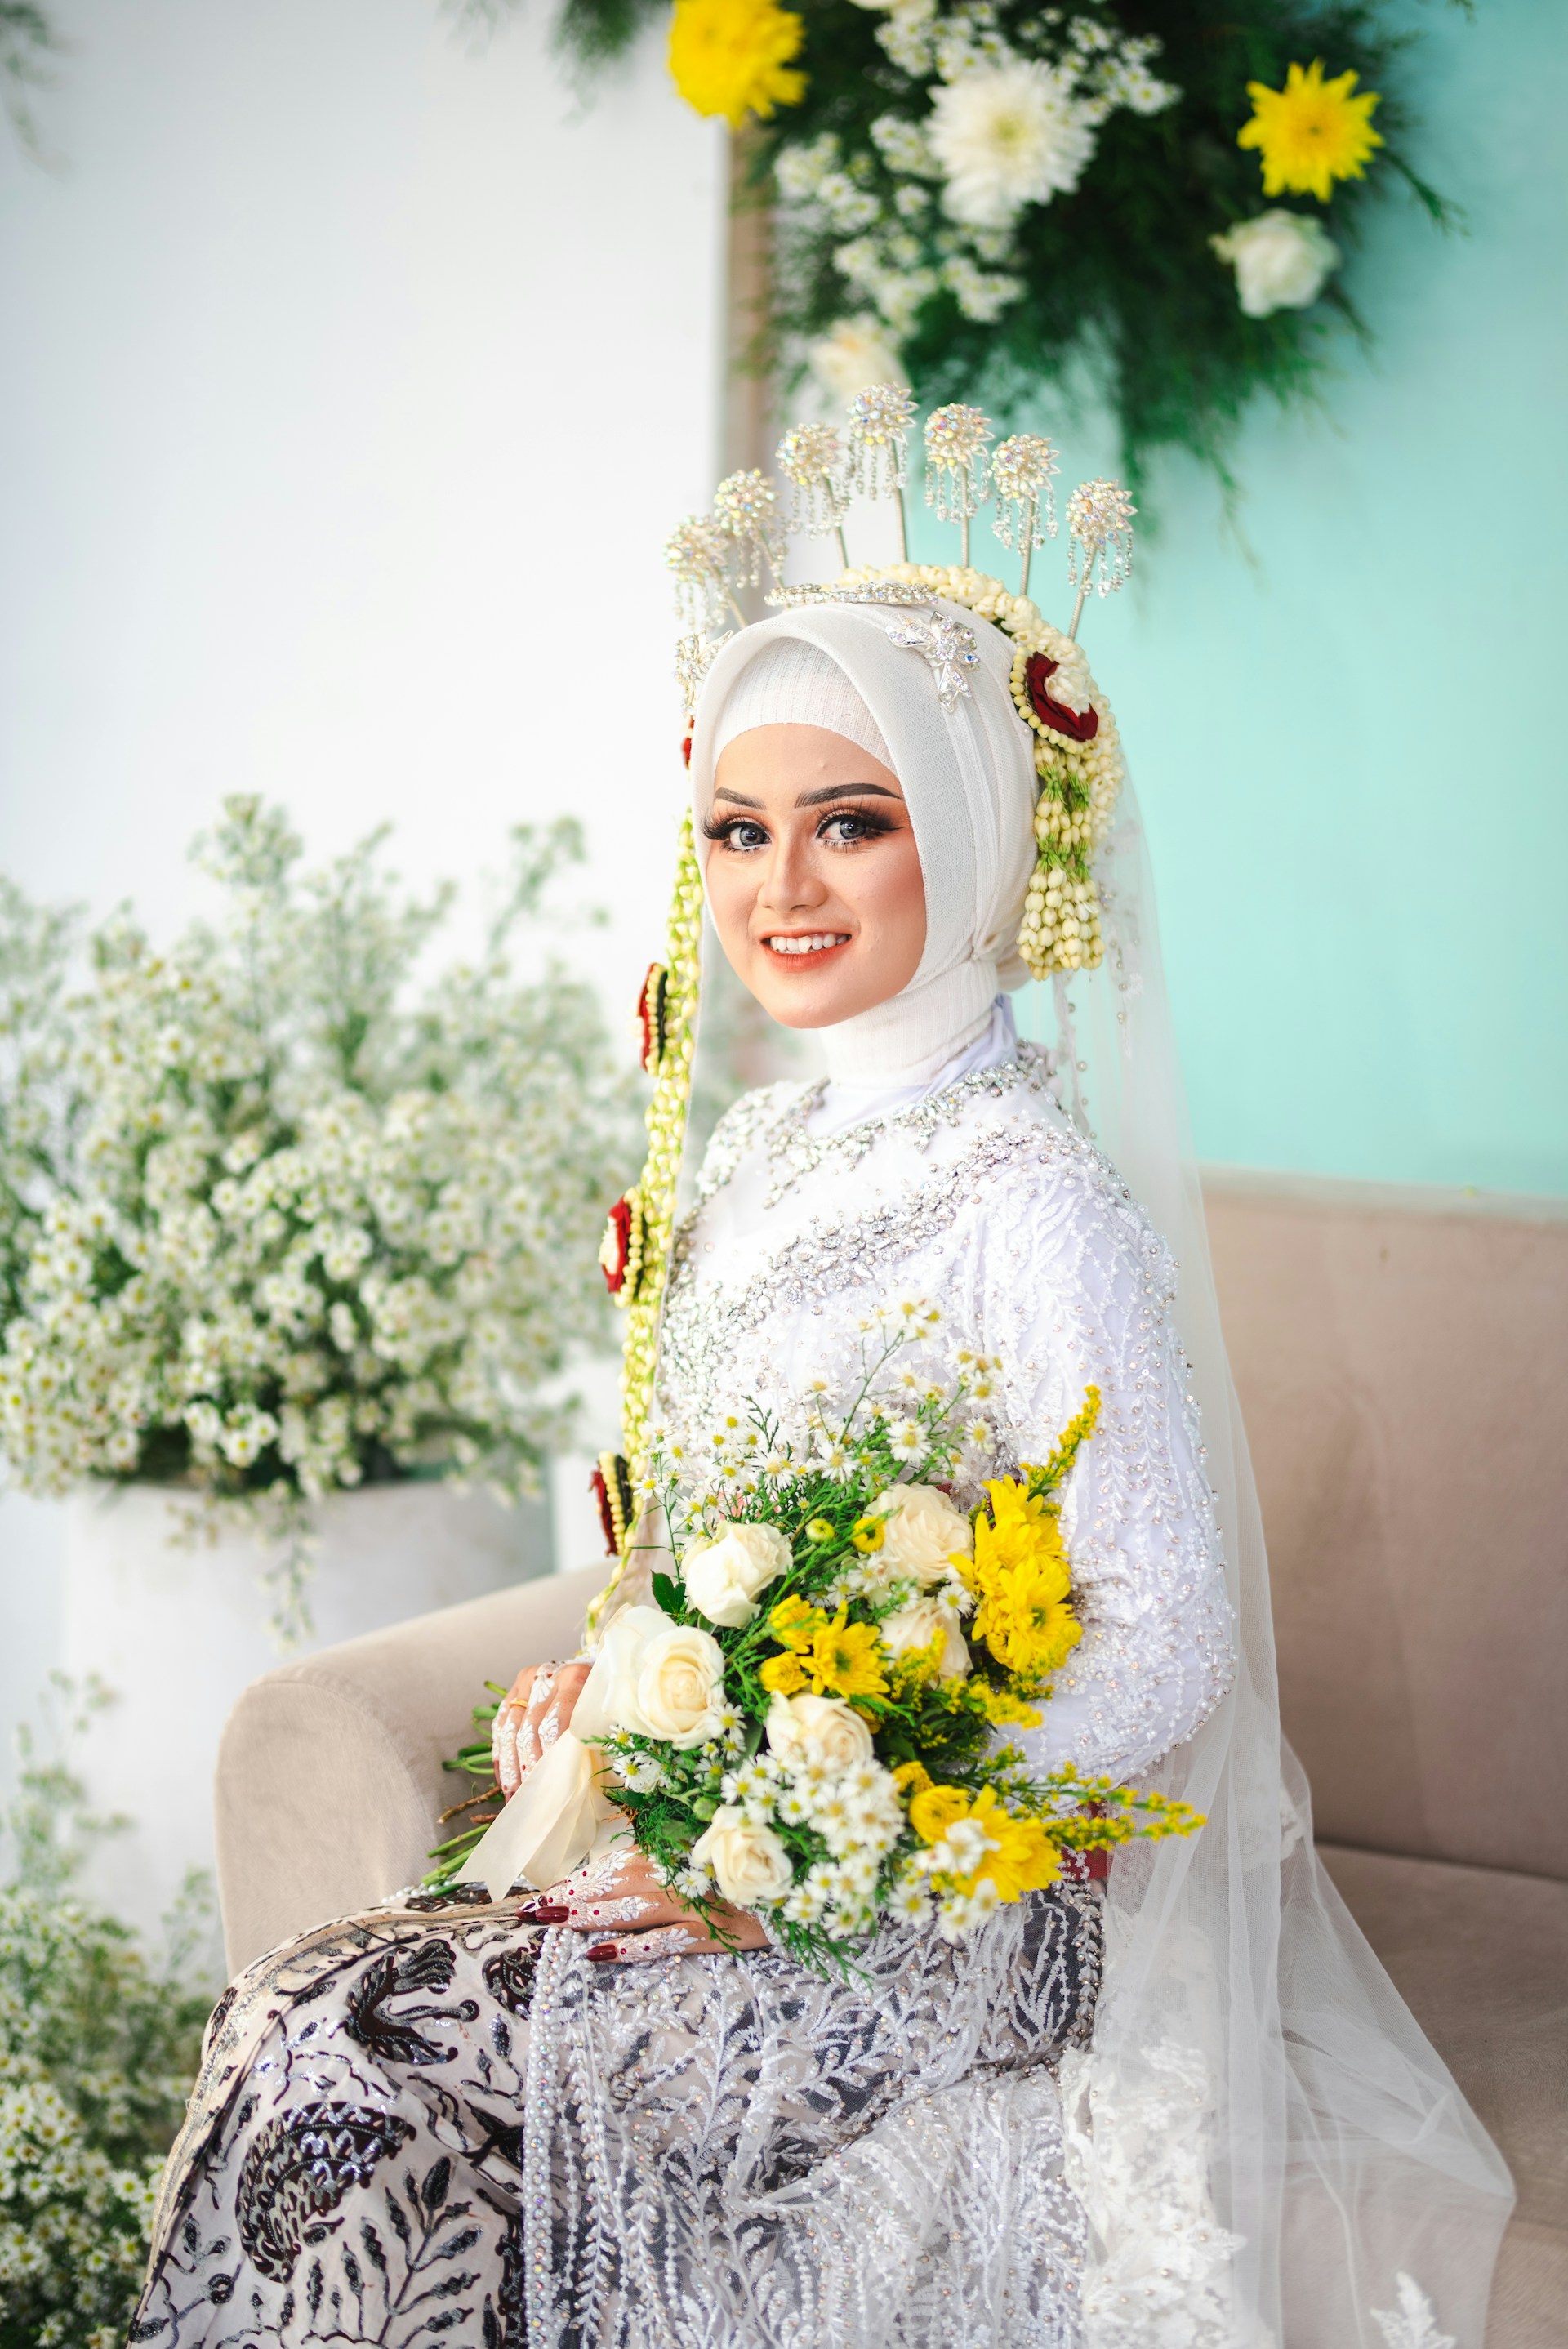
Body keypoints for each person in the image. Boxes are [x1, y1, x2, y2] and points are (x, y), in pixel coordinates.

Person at [131, 581, 1511, 2349]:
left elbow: (1163, 1642)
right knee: (298, 2017)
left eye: (849, 824)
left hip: (951, 1910)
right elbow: (699, 1543)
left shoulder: (1033, 1201)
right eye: (738, 829)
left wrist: (806, 1824)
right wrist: (613, 1684)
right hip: (727, 1853)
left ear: (975, 834)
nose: (781, 887)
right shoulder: (760, 1152)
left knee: (351, 2039)